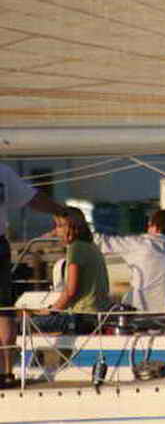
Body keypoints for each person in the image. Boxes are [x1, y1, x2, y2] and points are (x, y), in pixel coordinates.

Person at [0, 163, 73, 389]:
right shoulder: (2, 171)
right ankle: (6, 372)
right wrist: (62, 211)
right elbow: (32, 199)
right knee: (3, 310)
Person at [93, 209, 165, 312]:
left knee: (124, 299)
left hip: (140, 312)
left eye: (149, 225)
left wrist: (84, 231)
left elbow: (102, 242)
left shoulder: (140, 244)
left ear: (154, 227)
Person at [31, 207, 111, 334]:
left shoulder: (75, 248)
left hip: (83, 316)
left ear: (69, 228)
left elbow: (70, 292)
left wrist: (50, 311)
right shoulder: (92, 246)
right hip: (99, 314)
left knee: (29, 323)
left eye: (58, 226)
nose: (55, 231)